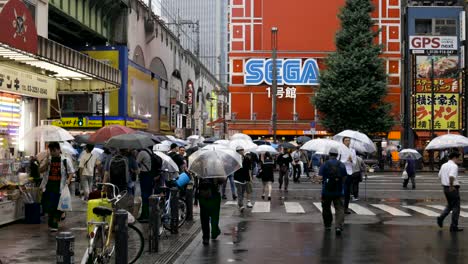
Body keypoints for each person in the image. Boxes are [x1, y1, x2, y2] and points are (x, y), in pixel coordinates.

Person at [40, 142, 75, 232]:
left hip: (60, 187)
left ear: (59, 150)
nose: (52, 152)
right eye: (51, 151)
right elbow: (40, 170)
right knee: (49, 206)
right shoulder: (48, 160)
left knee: (57, 207)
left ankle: (55, 223)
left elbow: (71, 172)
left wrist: (68, 180)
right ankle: (51, 221)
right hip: (48, 186)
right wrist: (46, 163)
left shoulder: (65, 160)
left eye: (54, 150)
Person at [319, 148, 347, 235]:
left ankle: (327, 225)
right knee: (339, 208)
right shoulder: (341, 165)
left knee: (326, 208)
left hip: (326, 191)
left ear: (329, 154)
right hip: (338, 190)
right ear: (337, 155)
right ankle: (338, 226)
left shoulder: (325, 164)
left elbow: (320, 178)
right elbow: (345, 177)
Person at [437, 152, 463, 232]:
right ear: (455, 157)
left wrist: (445, 183)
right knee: (456, 207)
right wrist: (451, 186)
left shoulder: (444, 165)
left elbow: (439, 175)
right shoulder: (454, 166)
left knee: (450, 205)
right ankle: (453, 226)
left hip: (445, 188)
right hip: (452, 189)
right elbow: (451, 176)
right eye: (459, 157)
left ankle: (441, 218)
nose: (460, 159)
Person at [196, 177, 225, 245]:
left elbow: (198, 181)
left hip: (203, 195)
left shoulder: (201, 168)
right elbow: (222, 181)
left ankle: (206, 237)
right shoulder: (217, 169)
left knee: (204, 217)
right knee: (215, 216)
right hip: (214, 196)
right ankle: (214, 232)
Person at [136, 146, 162, 221]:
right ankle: (149, 214)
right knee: (149, 195)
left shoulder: (142, 152)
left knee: (144, 196)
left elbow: (136, 162)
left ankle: (145, 215)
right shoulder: (151, 153)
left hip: (145, 176)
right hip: (150, 176)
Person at [234, 146, 253, 212]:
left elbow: (249, 169)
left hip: (245, 178)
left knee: (242, 192)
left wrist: (250, 177)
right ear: (237, 152)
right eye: (240, 150)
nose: (241, 151)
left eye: (242, 150)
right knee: (239, 192)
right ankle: (241, 205)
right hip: (237, 178)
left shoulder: (246, 159)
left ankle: (241, 203)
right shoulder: (235, 159)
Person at [340, 137, 356, 214]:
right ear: (343, 142)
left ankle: (345, 208)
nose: (348, 142)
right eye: (346, 140)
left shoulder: (352, 150)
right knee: (340, 190)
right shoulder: (340, 149)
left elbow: (354, 163)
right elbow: (339, 161)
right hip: (341, 172)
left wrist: (351, 160)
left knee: (347, 191)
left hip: (349, 172)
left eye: (349, 140)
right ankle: (339, 207)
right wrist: (346, 160)